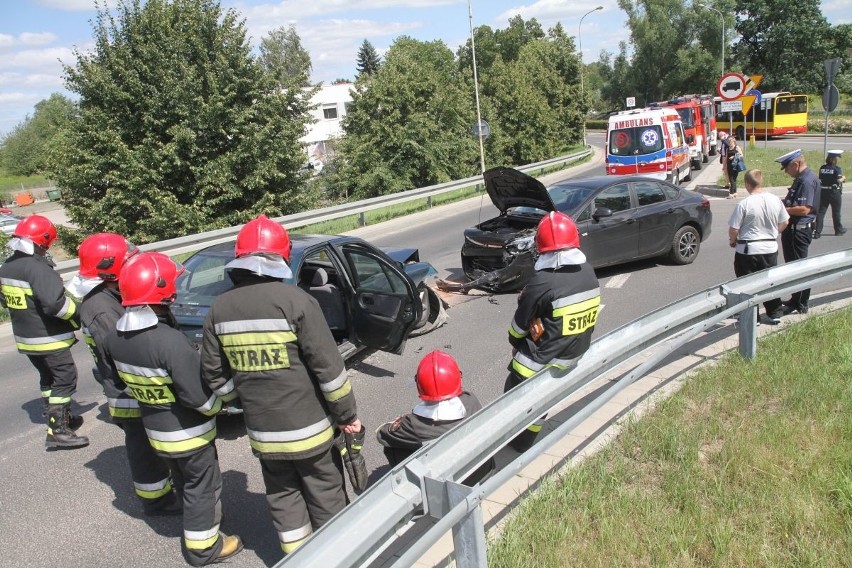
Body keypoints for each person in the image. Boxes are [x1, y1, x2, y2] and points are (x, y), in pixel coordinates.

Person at [200, 214, 362, 556]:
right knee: (326, 494)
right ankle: (339, 557)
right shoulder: (297, 302)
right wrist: (347, 414)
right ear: (281, 259)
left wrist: (243, 399)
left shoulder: (219, 308)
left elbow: (214, 375)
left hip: (264, 434)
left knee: (283, 499)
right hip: (313, 432)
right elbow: (329, 372)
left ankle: (298, 560)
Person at [105, 252, 242, 566]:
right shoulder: (168, 342)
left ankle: (199, 520)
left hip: (155, 431)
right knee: (202, 485)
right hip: (189, 433)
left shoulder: (113, 338)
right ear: (159, 291)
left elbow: (118, 380)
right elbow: (199, 399)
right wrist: (222, 405)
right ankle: (204, 548)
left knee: (184, 482)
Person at [67, 233, 181, 516]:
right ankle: (157, 500)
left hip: (129, 386)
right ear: (109, 270)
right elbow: (124, 353)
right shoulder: (102, 309)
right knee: (143, 448)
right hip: (128, 392)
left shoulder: (107, 297)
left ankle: (162, 488)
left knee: (149, 444)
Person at [505, 211, 601, 452]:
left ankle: (518, 443)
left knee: (514, 394)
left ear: (541, 246)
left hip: (540, 361)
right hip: (574, 353)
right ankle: (523, 439)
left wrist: (516, 335)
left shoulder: (543, 280)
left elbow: (518, 327)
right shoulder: (589, 272)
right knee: (540, 401)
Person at [0, 214, 88, 449]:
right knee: (65, 378)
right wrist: (80, 312)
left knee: (48, 378)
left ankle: (61, 418)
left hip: (26, 338)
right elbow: (55, 305)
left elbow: (5, 300)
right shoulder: (37, 269)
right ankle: (58, 430)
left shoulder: (7, 267)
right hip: (48, 338)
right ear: (41, 243)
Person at [376, 350, 495, 484]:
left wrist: (401, 421)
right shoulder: (470, 400)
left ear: (419, 385)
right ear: (457, 378)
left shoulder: (413, 425)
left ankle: (410, 484)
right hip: (484, 470)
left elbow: (382, 434)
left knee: (394, 445)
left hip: (451, 483)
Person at [727, 169, 790, 324]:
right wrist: (774, 233)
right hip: (769, 248)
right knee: (769, 282)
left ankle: (752, 317)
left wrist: (732, 240)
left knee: (747, 285)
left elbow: (734, 229)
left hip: (748, 250)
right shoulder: (775, 200)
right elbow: (785, 221)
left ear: (747, 184)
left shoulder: (744, 203)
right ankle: (774, 313)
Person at [776, 149, 820, 315]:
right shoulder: (800, 179)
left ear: (796, 164)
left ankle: (801, 303)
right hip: (793, 230)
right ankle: (796, 299)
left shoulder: (806, 181)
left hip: (798, 231)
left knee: (800, 268)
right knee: (793, 267)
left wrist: (783, 210)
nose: (786, 172)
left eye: (787, 168)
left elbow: (804, 209)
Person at [815, 149, 846, 238]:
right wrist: (843, 178)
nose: (838, 160)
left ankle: (817, 232)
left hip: (823, 192)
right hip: (834, 193)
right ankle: (838, 230)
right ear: (833, 159)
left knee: (821, 212)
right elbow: (839, 180)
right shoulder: (837, 169)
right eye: (838, 158)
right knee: (836, 212)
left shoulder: (822, 168)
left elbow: (821, 179)